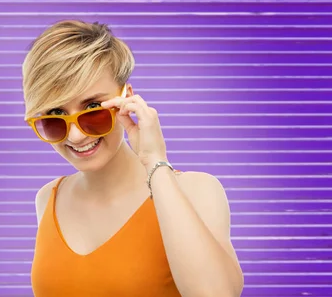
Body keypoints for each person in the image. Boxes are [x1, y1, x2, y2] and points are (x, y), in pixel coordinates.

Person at [21, 20, 244, 297]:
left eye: (92, 107)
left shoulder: (196, 190)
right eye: (54, 116)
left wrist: (155, 162)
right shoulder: (48, 199)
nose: (76, 136)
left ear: (126, 97)